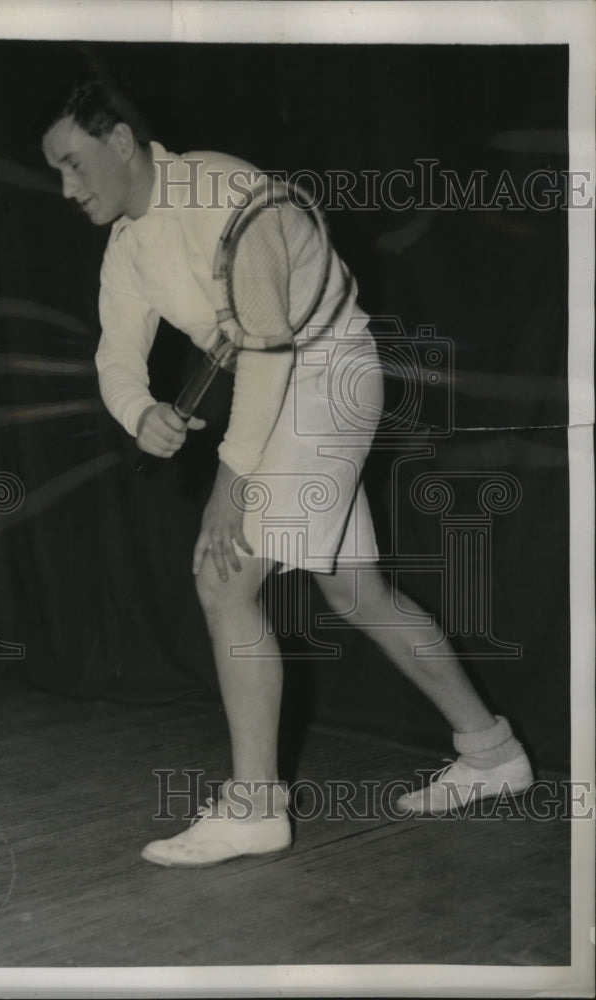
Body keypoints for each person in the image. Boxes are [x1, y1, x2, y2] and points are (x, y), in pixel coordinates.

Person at [41, 78, 534, 868]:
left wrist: (226, 491)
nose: (66, 187)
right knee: (353, 590)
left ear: (121, 143)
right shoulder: (129, 245)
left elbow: (268, 359)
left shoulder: (230, 195)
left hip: (324, 374)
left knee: (221, 572)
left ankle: (255, 806)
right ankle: (490, 752)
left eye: (72, 163)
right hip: (288, 381)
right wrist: (141, 413)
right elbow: (115, 353)